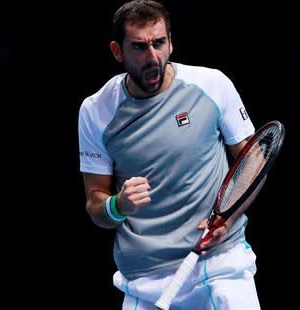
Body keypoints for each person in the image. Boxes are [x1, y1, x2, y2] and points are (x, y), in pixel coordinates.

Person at [78, 1, 262, 309]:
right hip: (144, 277)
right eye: (138, 47)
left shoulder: (212, 85)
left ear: (170, 42)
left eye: (159, 43)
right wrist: (118, 204)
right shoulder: (96, 111)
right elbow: (95, 202)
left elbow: (253, 162)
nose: (152, 57)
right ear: (117, 51)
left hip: (219, 265)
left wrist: (228, 218)